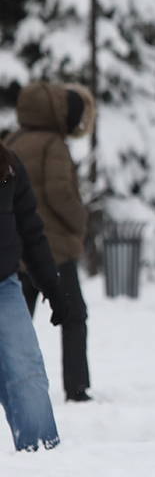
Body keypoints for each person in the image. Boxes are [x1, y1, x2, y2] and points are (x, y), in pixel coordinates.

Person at [5, 81, 95, 402]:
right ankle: (77, 387)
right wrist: (80, 220)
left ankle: (10, 384)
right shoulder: (53, 145)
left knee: (16, 324)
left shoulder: (12, 141)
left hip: (18, 250)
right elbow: (61, 194)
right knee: (73, 316)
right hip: (53, 251)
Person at [0, 141, 65, 451]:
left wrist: (51, 286)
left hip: (3, 286)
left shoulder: (8, 166)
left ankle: (42, 455)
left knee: (27, 370)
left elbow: (29, 229)